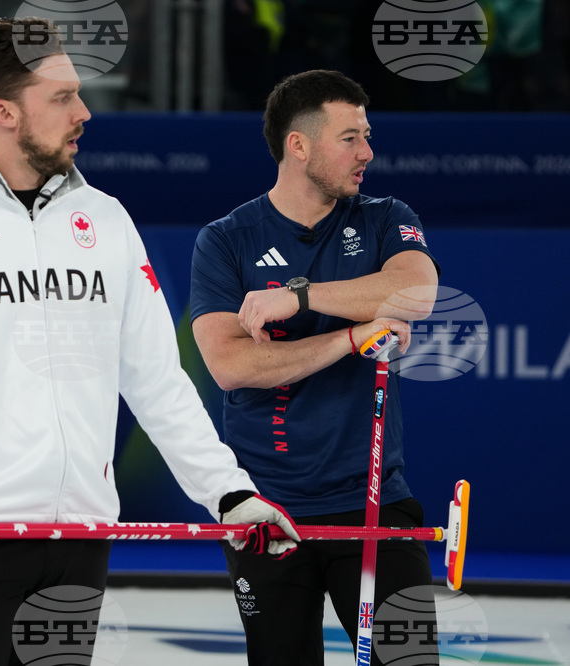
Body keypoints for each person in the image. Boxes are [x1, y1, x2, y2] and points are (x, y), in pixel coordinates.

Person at [0, 17, 299, 665]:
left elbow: (158, 381)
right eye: (61, 97)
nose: (83, 111)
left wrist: (231, 493)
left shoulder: (106, 220)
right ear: (4, 113)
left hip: (82, 534)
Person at [189, 69, 441, 664]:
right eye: (350, 137)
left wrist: (300, 296)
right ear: (298, 146)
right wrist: (353, 336)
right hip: (266, 509)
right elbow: (231, 365)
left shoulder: (383, 216)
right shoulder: (225, 240)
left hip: (374, 499)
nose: (367, 153)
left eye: (367, 135)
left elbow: (416, 293)